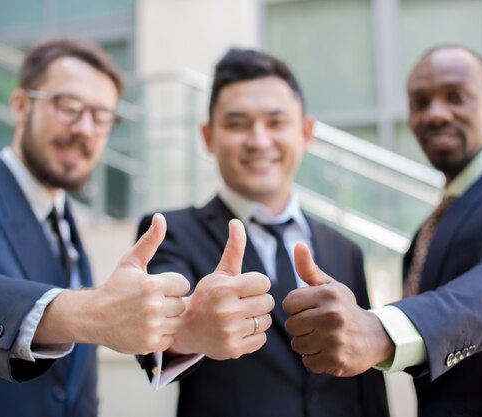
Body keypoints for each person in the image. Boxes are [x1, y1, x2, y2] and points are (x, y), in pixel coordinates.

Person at [0, 39, 197, 417]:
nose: (85, 129)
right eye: (68, 107)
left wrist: (187, 331)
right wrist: (91, 313)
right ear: (21, 106)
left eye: (101, 117)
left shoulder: (68, 226)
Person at [283, 45, 482, 417]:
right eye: (420, 102)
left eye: (456, 97)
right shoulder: (429, 228)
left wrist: (380, 331)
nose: (435, 114)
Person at [136, 48, 389, 417]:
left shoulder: (344, 249)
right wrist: (188, 329)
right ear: (208, 136)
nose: (258, 140)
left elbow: (367, 385)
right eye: (237, 124)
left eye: (275, 122)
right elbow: (153, 333)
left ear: (306, 132)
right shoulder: (169, 232)